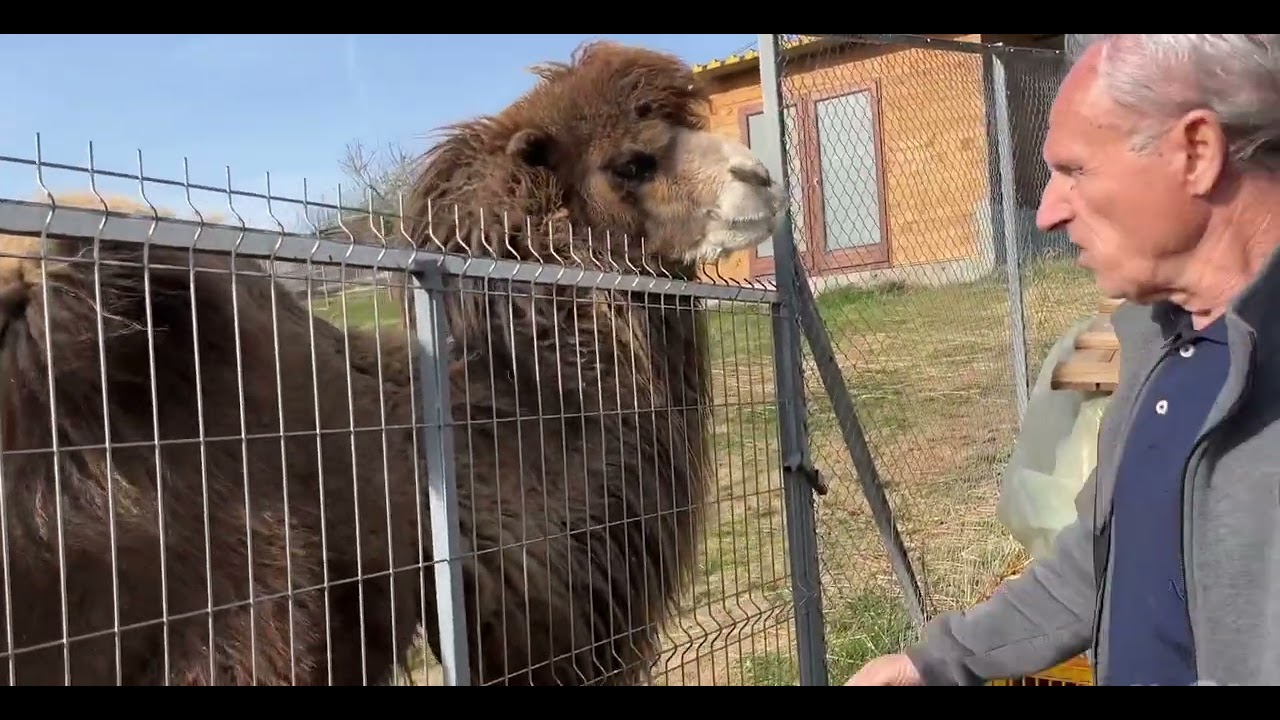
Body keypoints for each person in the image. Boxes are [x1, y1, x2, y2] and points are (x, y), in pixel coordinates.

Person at [845, 33, 1280, 687]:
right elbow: (1110, 555)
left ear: (1196, 152)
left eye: (1075, 170)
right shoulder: (1164, 343)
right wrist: (933, 662)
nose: (1047, 212)